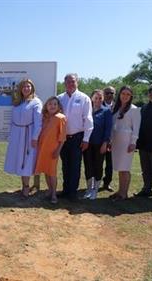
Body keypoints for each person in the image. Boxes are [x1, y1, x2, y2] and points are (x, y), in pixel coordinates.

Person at [57, 73, 93, 201]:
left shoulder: (84, 98)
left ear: (77, 82)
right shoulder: (59, 98)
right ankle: (66, 190)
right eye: (67, 82)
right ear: (64, 83)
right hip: (62, 138)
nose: (70, 84)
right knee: (65, 165)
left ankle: (73, 192)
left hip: (78, 137)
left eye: (73, 81)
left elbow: (88, 120)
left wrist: (86, 139)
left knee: (75, 165)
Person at [4, 78, 43, 197]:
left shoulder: (36, 102)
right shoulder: (18, 102)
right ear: (21, 89)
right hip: (17, 134)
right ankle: (23, 185)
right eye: (24, 86)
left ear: (32, 88)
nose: (26, 88)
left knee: (27, 160)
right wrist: (11, 135)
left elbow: (38, 122)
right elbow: (12, 120)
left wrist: (35, 137)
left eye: (28, 86)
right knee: (19, 159)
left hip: (28, 134)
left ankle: (26, 187)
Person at [109, 86, 141, 200]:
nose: (125, 96)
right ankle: (120, 191)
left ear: (131, 96)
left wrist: (133, 142)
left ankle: (124, 193)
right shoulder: (115, 107)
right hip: (116, 140)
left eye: (128, 94)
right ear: (120, 95)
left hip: (127, 141)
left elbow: (136, 128)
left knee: (125, 168)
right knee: (120, 167)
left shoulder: (134, 109)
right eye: (123, 93)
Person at [34, 96, 66, 203]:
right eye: (50, 104)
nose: (52, 106)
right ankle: (49, 190)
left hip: (53, 150)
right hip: (42, 149)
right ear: (46, 106)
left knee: (52, 172)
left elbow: (62, 137)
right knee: (46, 171)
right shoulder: (45, 117)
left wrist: (58, 150)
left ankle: (54, 194)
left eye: (55, 104)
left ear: (58, 106)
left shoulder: (60, 118)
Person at [83, 90, 112, 200]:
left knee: (98, 166)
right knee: (88, 166)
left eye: (100, 98)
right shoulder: (87, 110)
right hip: (87, 143)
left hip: (100, 144)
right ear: (91, 98)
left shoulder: (106, 112)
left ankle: (95, 189)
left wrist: (105, 143)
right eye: (96, 98)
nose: (98, 100)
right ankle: (88, 189)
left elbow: (108, 129)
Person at [102, 86, 116, 192]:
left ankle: (107, 183)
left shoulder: (118, 107)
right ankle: (95, 182)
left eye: (111, 93)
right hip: (100, 140)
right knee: (97, 162)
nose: (109, 95)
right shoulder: (97, 105)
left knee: (110, 164)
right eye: (107, 93)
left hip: (113, 140)